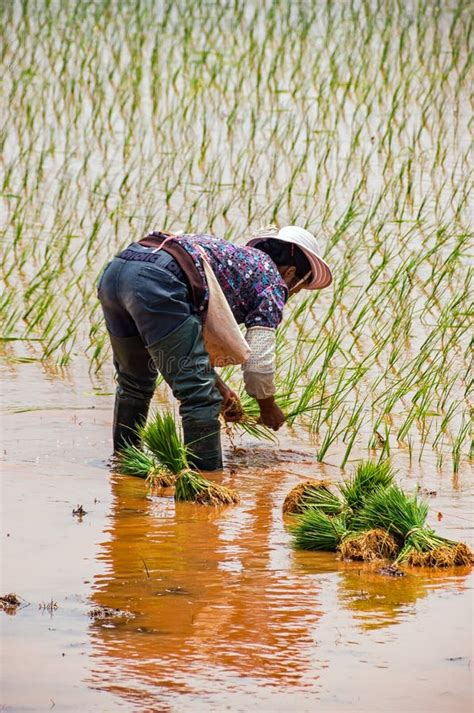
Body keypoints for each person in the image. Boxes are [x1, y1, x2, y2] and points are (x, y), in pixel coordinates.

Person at [97, 225, 332, 470]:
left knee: (134, 382)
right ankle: (205, 484)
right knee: (199, 398)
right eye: (297, 288)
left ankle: (124, 465)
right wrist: (268, 407)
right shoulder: (271, 282)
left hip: (118, 272)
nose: (290, 294)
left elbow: (182, 343)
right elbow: (258, 363)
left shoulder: (237, 263)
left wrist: (220, 388)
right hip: (159, 280)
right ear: (291, 272)